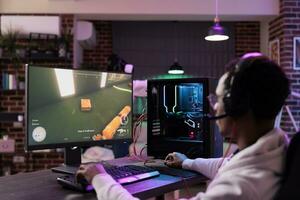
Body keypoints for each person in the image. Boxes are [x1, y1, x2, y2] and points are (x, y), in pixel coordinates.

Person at [76, 53, 290, 200]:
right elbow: (226, 165)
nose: (214, 108)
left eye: (218, 99)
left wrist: (99, 177)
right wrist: (188, 162)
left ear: (237, 106)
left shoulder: (239, 188)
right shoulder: (276, 150)